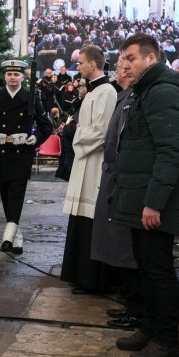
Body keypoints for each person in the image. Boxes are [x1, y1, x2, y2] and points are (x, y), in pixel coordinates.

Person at [111, 33, 179, 357]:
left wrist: (154, 202)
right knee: (146, 268)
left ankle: (167, 341)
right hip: (140, 197)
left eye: (131, 58)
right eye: (122, 59)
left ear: (152, 58)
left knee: (159, 271)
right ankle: (149, 328)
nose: (125, 65)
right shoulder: (147, 90)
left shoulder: (162, 92)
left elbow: (170, 153)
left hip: (152, 202)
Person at [90, 57, 143, 329]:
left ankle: (136, 309)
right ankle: (129, 303)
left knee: (126, 250)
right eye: (121, 66)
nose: (121, 71)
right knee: (118, 249)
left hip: (124, 182)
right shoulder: (124, 97)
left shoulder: (134, 99)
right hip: (114, 178)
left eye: (126, 66)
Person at [60, 45, 117, 292]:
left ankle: (92, 279)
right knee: (80, 223)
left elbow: (103, 132)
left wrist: (75, 132)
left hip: (95, 164)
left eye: (81, 62)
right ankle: (78, 275)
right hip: (85, 162)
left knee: (91, 223)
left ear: (93, 64)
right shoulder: (93, 92)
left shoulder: (106, 92)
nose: (78, 67)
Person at [0, 59, 53, 254]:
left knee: (16, 194)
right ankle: (17, 238)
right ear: (5, 76)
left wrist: (35, 137)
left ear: (23, 77)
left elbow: (46, 125)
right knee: (6, 196)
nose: (12, 78)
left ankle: (7, 236)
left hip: (22, 154)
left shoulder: (31, 98)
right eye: (9, 74)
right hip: (1, 153)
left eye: (16, 74)